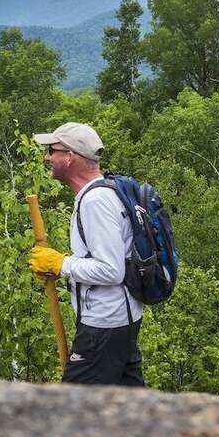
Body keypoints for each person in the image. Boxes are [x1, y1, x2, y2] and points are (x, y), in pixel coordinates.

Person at [28, 122, 143, 386]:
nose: (47, 158)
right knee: (127, 403)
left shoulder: (95, 201)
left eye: (52, 151)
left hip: (103, 327)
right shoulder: (107, 192)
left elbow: (111, 270)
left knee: (72, 404)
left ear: (69, 157)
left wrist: (60, 264)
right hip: (120, 322)